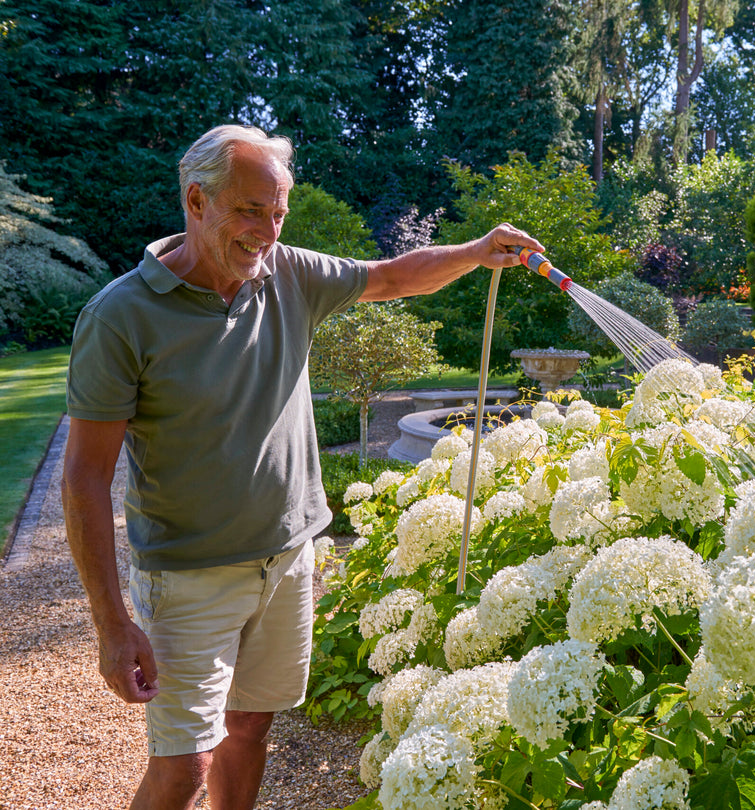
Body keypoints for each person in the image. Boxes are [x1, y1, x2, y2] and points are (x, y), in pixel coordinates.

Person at [61, 124, 543, 809]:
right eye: (250, 210)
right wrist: (112, 625)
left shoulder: (289, 274)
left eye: (279, 212)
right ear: (196, 202)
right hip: (189, 576)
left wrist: (477, 251)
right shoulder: (121, 317)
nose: (268, 230)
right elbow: (82, 477)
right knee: (183, 767)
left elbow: (393, 277)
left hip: (288, 561)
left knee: (251, 729)